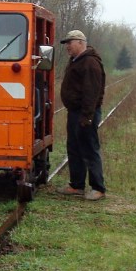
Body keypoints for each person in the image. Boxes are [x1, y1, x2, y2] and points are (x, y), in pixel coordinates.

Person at [57, 29, 107, 201]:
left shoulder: (90, 63)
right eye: (66, 44)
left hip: (85, 113)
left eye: (69, 43)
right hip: (75, 112)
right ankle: (76, 185)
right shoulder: (76, 61)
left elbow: (91, 92)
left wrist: (87, 116)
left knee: (89, 148)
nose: (67, 47)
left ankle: (98, 188)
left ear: (80, 42)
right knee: (74, 148)